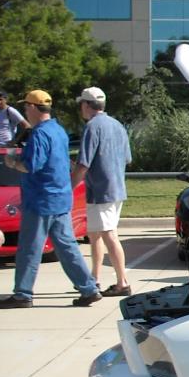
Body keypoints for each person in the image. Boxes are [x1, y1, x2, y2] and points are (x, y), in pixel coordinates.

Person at [0, 90, 102, 308]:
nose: (25, 111)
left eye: (26, 107)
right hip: (60, 198)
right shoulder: (58, 130)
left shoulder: (39, 134)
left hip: (40, 200)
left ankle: (22, 294)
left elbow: (30, 166)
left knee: (29, 248)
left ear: (33, 107)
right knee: (66, 246)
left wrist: (12, 162)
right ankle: (89, 289)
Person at [71, 87, 133, 296]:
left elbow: (83, 164)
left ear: (86, 105)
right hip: (117, 188)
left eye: (81, 104)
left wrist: (69, 188)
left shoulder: (92, 127)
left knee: (109, 235)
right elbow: (127, 159)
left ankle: (122, 283)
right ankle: (94, 278)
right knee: (95, 233)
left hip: (101, 191)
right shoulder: (117, 125)